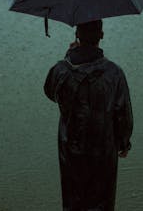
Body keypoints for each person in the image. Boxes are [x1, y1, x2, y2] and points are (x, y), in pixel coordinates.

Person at [44, 20, 133, 211]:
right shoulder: (114, 73)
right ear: (101, 36)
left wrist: (68, 57)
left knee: (72, 199)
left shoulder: (61, 69)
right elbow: (123, 113)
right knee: (102, 201)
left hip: (70, 147)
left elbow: (51, 93)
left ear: (77, 35)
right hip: (103, 149)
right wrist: (124, 143)